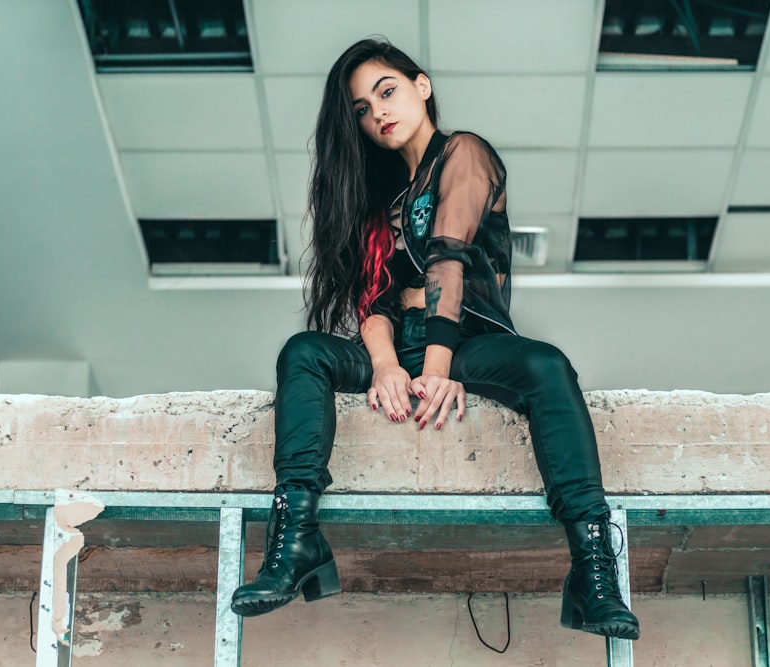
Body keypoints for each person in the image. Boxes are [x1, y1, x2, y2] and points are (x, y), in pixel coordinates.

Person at [230, 37, 640, 640]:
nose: (378, 114)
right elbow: (375, 301)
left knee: (548, 365)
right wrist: (388, 367)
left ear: (421, 85)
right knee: (304, 352)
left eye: (386, 91)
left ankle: (594, 570)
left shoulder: (465, 153)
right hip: (404, 345)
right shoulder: (384, 201)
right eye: (363, 110)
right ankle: (295, 544)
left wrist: (440, 366)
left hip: (472, 340)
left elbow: (449, 258)